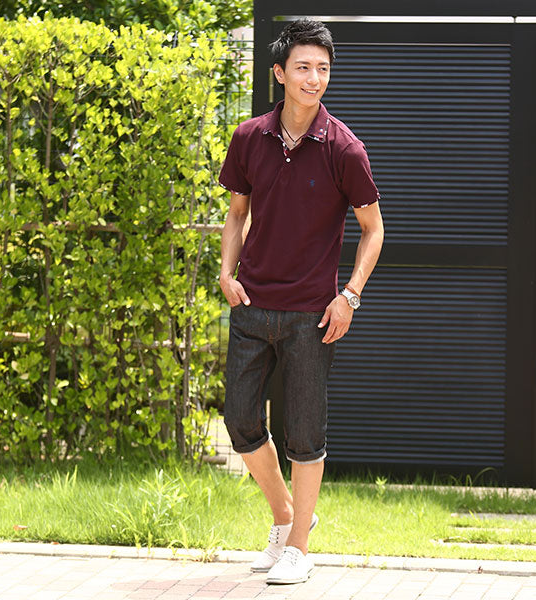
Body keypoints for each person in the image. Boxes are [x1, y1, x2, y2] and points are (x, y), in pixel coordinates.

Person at [217, 19, 384, 585]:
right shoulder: (249, 138)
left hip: (313, 315)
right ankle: (286, 515)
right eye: (304, 67)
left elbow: (374, 229)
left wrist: (349, 296)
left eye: (324, 69)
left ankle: (299, 548)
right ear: (279, 73)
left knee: (305, 433)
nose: (315, 78)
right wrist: (226, 272)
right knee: (240, 420)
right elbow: (237, 214)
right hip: (252, 304)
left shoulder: (344, 148)